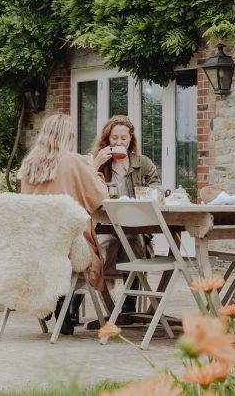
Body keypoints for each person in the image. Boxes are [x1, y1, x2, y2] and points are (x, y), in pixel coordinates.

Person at [17, 113, 107, 335]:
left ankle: (52, 298)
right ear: (68, 136)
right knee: (107, 248)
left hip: (36, 241)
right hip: (68, 244)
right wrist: (96, 172)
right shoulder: (73, 161)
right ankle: (61, 299)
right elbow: (98, 198)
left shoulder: (29, 164)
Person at [90, 115, 161, 326]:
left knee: (133, 240)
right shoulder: (99, 162)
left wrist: (146, 192)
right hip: (104, 227)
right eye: (114, 138)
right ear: (107, 140)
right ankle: (82, 297)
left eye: (123, 138)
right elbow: (83, 188)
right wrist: (95, 165)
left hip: (135, 226)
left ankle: (129, 303)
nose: (119, 143)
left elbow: (156, 187)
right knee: (105, 247)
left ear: (131, 140)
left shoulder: (143, 163)